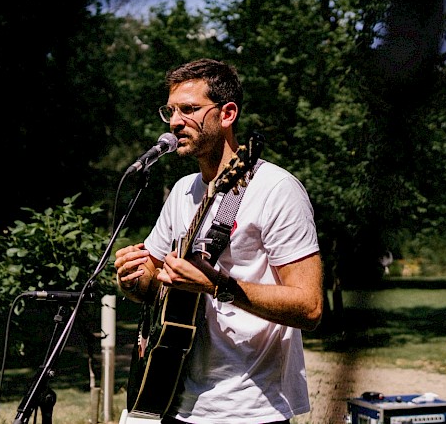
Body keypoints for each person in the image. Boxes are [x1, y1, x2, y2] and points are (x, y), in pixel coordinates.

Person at [114, 58, 323, 424]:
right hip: (175, 398)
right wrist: (134, 278)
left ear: (227, 114)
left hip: (250, 408)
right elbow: (155, 283)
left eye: (189, 109)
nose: (175, 121)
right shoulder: (182, 191)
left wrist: (216, 285)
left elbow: (309, 307)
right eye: (171, 111)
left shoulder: (275, 189)